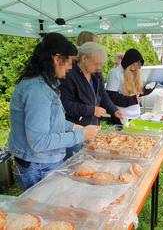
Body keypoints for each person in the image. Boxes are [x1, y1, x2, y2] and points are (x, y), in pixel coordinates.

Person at [8, 33, 99, 190]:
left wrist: (76, 128)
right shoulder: (38, 90)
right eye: (69, 62)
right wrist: (81, 135)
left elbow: (52, 120)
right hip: (38, 166)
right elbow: (39, 142)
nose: (71, 67)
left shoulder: (45, 84)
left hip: (42, 162)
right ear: (57, 59)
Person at [59, 42, 123, 159]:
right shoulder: (69, 75)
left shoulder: (96, 74)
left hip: (93, 128)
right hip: (75, 131)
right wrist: (91, 110)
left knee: (90, 161)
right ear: (84, 58)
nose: (99, 67)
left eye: (100, 64)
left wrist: (113, 110)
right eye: (96, 63)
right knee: (75, 163)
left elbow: (102, 95)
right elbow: (66, 105)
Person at [106, 48, 154, 124]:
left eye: (136, 69)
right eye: (132, 69)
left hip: (136, 115)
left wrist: (145, 91)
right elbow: (111, 96)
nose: (135, 71)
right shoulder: (115, 73)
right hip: (122, 117)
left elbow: (134, 93)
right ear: (128, 64)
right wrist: (133, 100)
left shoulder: (135, 71)